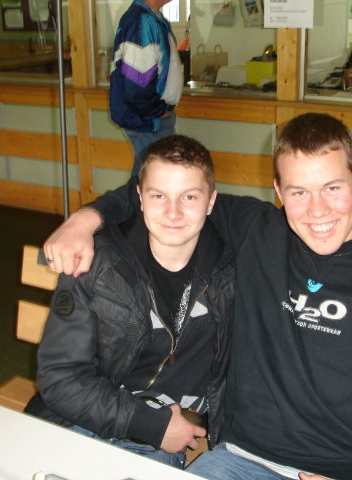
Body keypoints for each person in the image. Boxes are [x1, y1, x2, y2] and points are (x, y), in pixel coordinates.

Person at [44, 114, 352, 479]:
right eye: (298, 192)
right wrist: (86, 218)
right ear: (278, 192)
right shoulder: (258, 231)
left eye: (332, 188)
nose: (317, 211)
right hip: (240, 461)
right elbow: (164, 188)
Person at [24, 135, 235, 469]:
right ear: (139, 198)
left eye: (189, 197)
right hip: (85, 419)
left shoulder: (233, 269)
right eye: (158, 196)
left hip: (159, 441)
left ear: (211, 202)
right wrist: (148, 423)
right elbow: (61, 377)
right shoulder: (96, 261)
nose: (173, 212)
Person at [109, 0, 183, 177]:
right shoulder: (141, 23)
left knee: (152, 180)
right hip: (149, 121)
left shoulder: (151, 18)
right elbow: (136, 86)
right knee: (150, 181)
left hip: (152, 120)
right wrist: (158, 111)